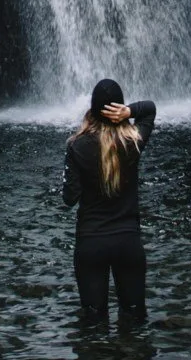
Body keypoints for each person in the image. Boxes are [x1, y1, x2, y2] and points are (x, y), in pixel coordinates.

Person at [62, 77, 157, 324]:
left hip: (91, 243)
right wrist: (130, 112)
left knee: (93, 324)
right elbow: (149, 110)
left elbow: (69, 198)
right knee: (135, 321)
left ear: (92, 109)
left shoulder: (76, 146)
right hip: (128, 242)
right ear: (118, 110)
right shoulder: (133, 141)